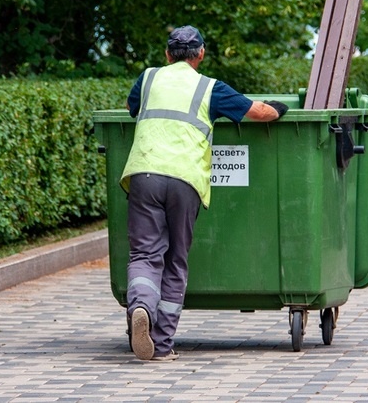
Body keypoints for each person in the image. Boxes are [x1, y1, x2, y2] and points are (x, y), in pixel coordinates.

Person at [120, 25, 288, 362]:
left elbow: (131, 108)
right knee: (175, 260)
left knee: (144, 255)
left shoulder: (149, 78)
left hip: (144, 173)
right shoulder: (211, 88)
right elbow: (260, 113)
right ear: (201, 54)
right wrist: (280, 109)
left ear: (167, 55)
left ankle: (141, 307)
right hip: (184, 179)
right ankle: (163, 345)